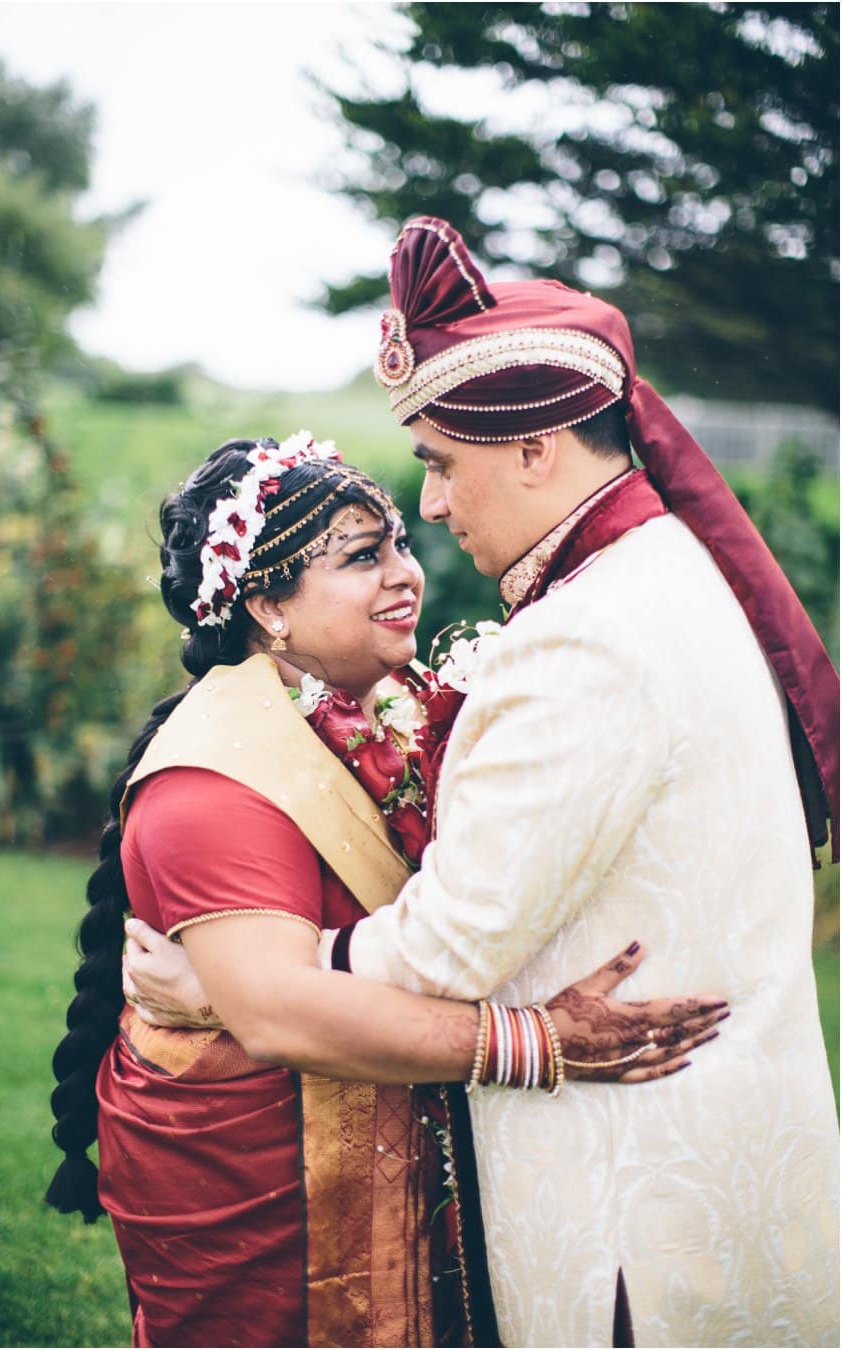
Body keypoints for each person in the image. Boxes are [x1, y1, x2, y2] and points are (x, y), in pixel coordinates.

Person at [126, 218, 841, 1346]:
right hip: (720, 1152)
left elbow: (452, 947)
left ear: (536, 450)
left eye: (442, 466)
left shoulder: (582, 640)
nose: (438, 513)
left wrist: (237, 981)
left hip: (635, 1220)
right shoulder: (668, 575)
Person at [43, 433, 727, 1347]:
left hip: (384, 1120)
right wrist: (539, 1043)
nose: (406, 572)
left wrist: (229, 989)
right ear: (266, 606)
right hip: (252, 1168)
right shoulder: (212, 783)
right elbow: (279, 1016)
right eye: (363, 556)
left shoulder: (397, 709)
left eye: (398, 542)